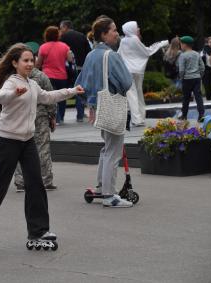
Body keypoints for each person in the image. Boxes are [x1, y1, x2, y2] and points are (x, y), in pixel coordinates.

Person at [0, 43, 84, 254]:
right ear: (15, 63)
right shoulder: (12, 82)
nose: (30, 63)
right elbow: (0, 97)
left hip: (27, 141)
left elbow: (48, 97)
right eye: (25, 60)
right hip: (9, 141)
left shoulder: (32, 84)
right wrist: (14, 94)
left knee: (36, 184)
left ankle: (38, 231)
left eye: (32, 60)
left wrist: (73, 90)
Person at [76, 16, 133, 208]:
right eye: (114, 30)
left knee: (106, 148)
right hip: (112, 105)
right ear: (104, 34)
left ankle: (102, 187)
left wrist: (90, 103)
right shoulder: (112, 55)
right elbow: (126, 82)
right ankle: (109, 195)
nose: (117, 34)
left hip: (98, 107)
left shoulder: (91, 55)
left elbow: (79, 85)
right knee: (113, 150)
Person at [14, 59, 57, 192]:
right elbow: (50, 97)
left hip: (20, 116)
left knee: (20, 148)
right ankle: (45, 180)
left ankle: (21, 181)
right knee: (42, 148)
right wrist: (52, 116)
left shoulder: (13, 77)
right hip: (39, 116)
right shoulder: (41, 76)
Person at [118, 21, 169, 126]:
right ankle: (140, 117)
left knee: (131, 94)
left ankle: (137, 119)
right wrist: (161, 44)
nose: (139, 29)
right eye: (137, 27)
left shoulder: (123, 41)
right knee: (138, 93)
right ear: (131, 29)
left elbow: (118, 55)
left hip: (128, 71)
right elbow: (147, 51)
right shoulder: (135, 39)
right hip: (138, 71)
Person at [36, 26, 74, 124]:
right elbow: (70, 59)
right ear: (57, 35)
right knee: (62, 96)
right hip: (62, 75)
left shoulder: (43, 47)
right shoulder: (64, 46)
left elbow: (38, 63)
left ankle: (55, 118)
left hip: (48, 76)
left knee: (51, 97)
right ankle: (61, 117)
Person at [60, 20, 92, 122]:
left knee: (65, 90)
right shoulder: (82, 36)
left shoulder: (63, 38)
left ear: (65, 27)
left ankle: (60, 117)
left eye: (61, 28)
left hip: (68, 68)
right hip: (82, 66)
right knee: (80, 90)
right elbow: (88, 51)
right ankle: (80, 115)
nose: (60, 30)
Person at [178, 36, 205, 121]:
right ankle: (201, 115)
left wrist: (182, 78)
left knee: (186, 98)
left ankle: (184, 115)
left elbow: (181, 70)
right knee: (198, 97)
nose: (180, 46)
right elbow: (202, 67)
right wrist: (200, 75)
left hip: (187, 79)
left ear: (185, 45)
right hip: (197, 78)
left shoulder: (183, 56)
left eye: (181, 44)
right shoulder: (196, 54)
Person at [201, 36, 211, 101]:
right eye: (210, 42)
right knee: (207, 86)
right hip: (206, 70)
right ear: (207, 43)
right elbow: (201, 61)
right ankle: (208, 99)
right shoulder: (204, 51)